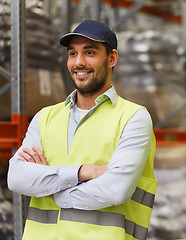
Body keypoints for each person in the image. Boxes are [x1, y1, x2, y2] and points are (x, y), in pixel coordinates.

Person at [7, 19, 157, 240]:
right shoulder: (45, 117)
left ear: (112, 58)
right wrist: (84, 172)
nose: (79, 62)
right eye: (72, 53)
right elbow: (17, 177)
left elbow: (117, 188)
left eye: (89, 52)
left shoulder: (133, 118)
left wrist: (50, 190)